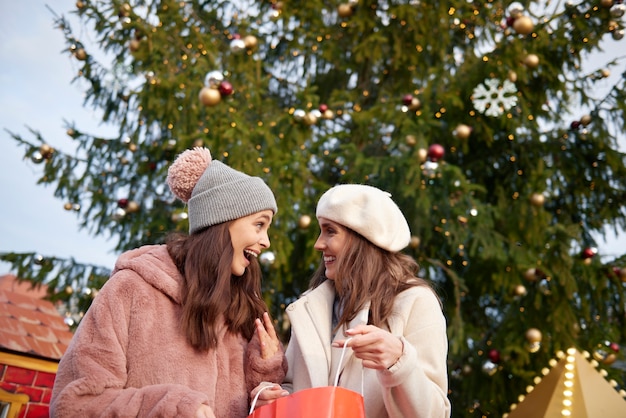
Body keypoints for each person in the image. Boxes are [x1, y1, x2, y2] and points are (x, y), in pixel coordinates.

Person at [51, 147, 287, 418]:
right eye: (259, 225)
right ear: (222, 222)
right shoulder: (131, 290)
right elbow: (76, 404)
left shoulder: (240, 313)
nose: (266, 241)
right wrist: (174, 409)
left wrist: (263, 383)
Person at [251, 184, 451, 418]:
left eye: (330, 231)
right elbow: (295, 389)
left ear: (363, 237)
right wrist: (272, 397)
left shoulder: (415, 303)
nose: (318, 244)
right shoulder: (310, 308)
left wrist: (399, 360)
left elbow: (435, 413)